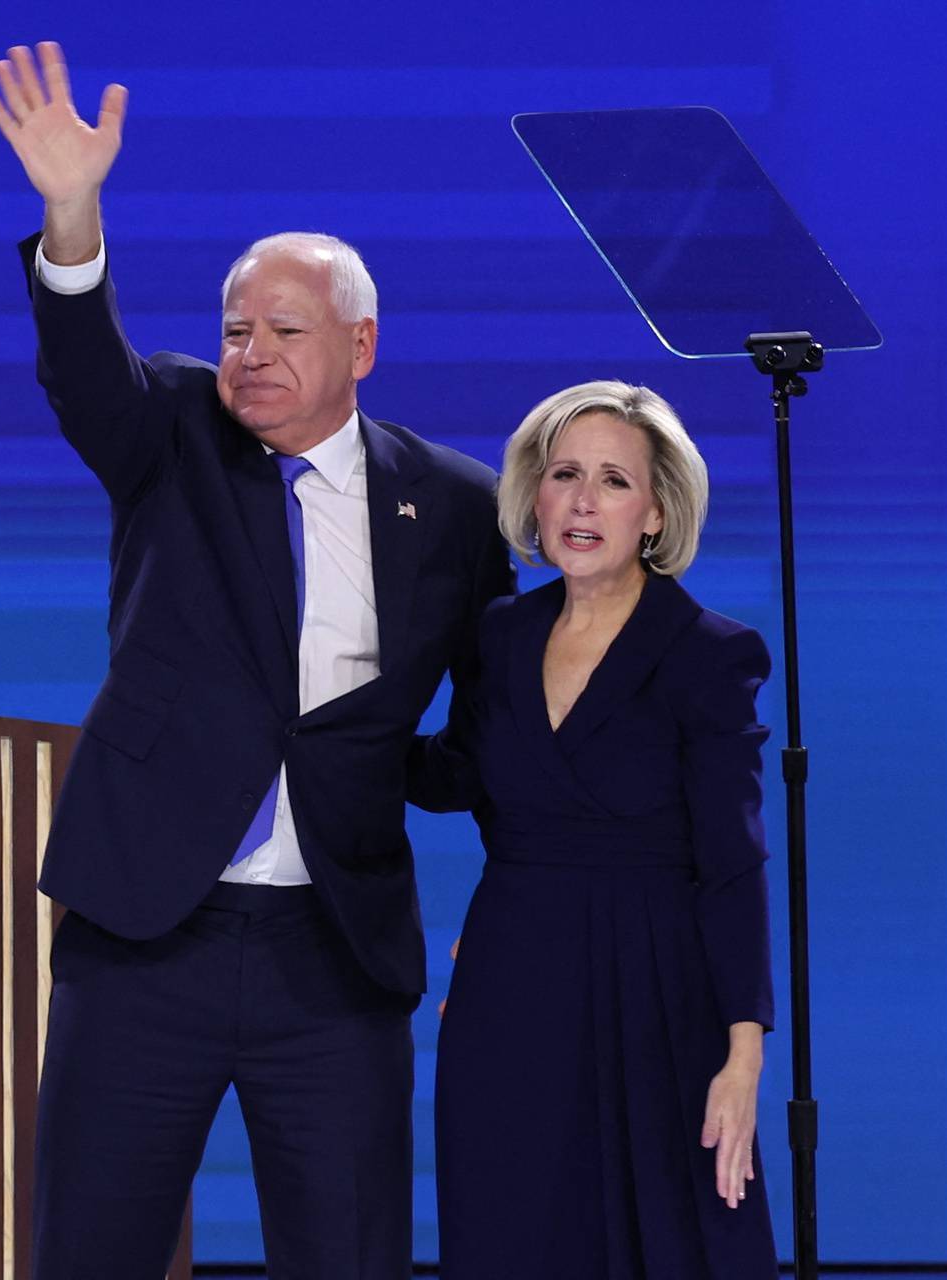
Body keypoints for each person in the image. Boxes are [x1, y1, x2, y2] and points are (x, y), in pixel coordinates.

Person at [0, 42, 515, 1278]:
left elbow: (480, 729)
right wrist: (72, 214)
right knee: (91, 1249)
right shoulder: (173, 432)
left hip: (333, 952)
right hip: (145, 935)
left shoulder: (454, 505)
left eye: (284, 328)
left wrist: (394, 780)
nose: (251, 352)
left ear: (362, 345)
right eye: (235, 328)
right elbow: (81, 370)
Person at [411, 381, 778, 1276]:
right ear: (532, 495)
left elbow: (733, 861)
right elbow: (457, 774)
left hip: (657, 988)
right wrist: (323, 730)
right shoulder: (500, 634)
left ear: (655, 513)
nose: (582, 500)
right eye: (564, 473)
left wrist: (743, 1058)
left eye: (615, 481)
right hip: (513, 983)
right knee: (512, 1229)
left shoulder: (709, 652)